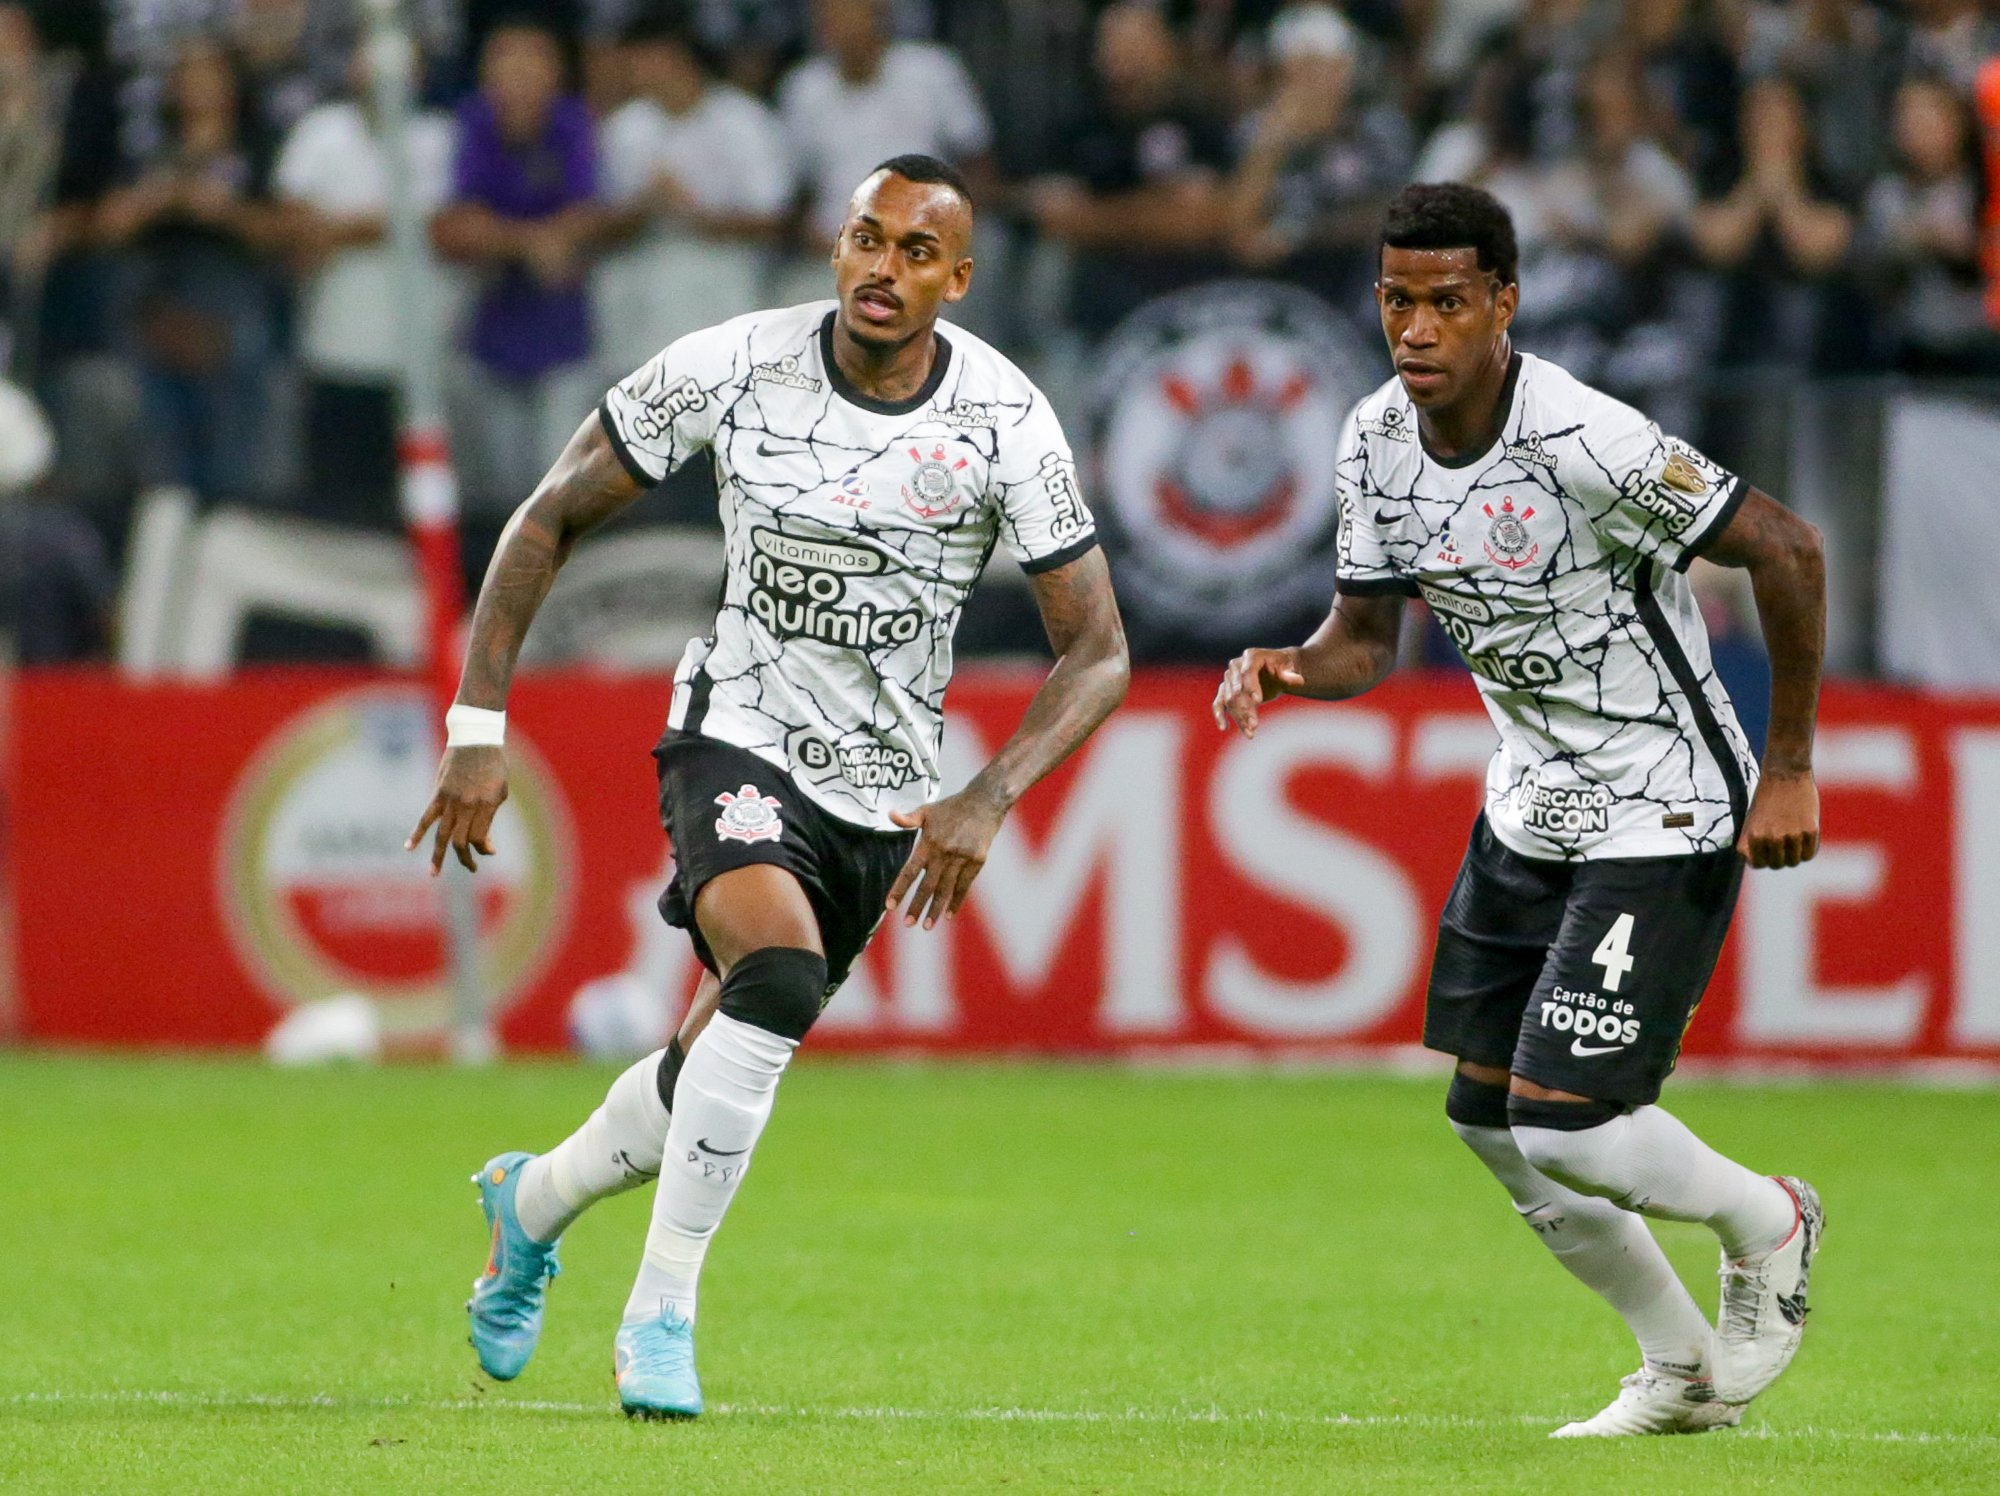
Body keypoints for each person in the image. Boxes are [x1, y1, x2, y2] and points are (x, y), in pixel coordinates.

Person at [406, 154, 1128, 1419]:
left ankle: (526, 1204)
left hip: (884, 792)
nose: (881, 268)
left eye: (915, 252)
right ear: (833, 247)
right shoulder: (734, 364)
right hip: (732, 731)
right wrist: (478, 722)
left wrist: (988, 792)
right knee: (778, 977)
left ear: (957, 278)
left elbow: (1099, 648)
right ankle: (660, 1314)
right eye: (865, 237)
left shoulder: (1004, 421)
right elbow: (547, 515)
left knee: (708, 1069)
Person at [1214, 183, 1827, 1438]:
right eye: (1396, 300)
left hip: (1660, 799)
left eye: (1446, 301)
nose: (1416, 328)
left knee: (1569, 1124)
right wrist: (1288, 664)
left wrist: (1790, 765)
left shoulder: (1583, 436)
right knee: (1489, 1118)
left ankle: (1770, 1218)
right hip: (1529, 803)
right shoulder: (1374, 437)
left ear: (1502, 302)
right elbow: (1365, 639)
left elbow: (1787, 546)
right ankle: (1680, 1371)